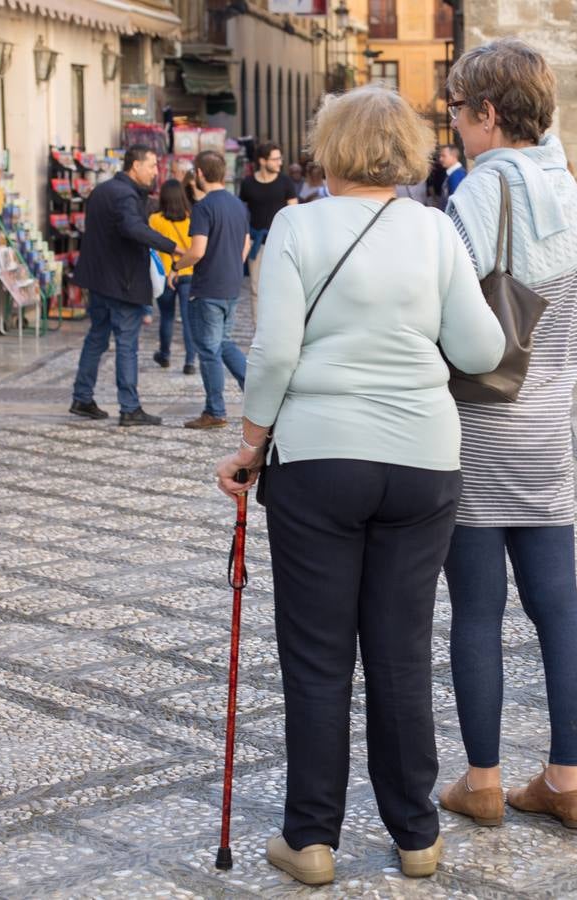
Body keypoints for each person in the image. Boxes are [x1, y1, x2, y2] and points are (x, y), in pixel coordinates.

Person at [212, 83, 504, 885]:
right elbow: (481, 350)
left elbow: (272, 354)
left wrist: (248, 446)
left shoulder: (297, 225)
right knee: (402, 652)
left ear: (330, 149)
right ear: (405, 149)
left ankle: (310, 840)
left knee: (317, 657)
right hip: (421, 461)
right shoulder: (437, 229)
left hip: (317, 462)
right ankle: (416, 835)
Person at [436, 38, 577, 834]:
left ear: (488, 113)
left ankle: (485, 782)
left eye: (458, 114)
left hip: (475, 427)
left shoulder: (480, 193)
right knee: (559, 609)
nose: (456, 130)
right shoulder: (566, 188)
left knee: (476, 611)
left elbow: (451, 309)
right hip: (545, 431)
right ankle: (567, 780)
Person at [69, 144, 187, 426]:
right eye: (152, 165)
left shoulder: (103, 190)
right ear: (135, 166)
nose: (155, 171)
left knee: (96, 338)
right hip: (121, 281)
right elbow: (132, 228)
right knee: (126, 343)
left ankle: (82, 397)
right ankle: (130, 407)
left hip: (99, 280)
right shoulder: (124, 195)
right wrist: (172, 247)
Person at [179, 151, 251, 429]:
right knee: (224, 342)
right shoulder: (238, 205)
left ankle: (215, 410)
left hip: (207, 286)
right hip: (231, 285)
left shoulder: (203, 207)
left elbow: (197, 251)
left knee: (208, 350)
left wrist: (177, 267)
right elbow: (245, 245)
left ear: (198, 173)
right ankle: (255, 395)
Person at [239, 141, 298, 324]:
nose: (280, 162)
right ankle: (259, 330)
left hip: (282, 243)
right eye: (276, 159)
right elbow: (242, 212)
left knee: (282, 288)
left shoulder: (285, 182)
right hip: (257, 241)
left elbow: (294, 214)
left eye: (280, 158)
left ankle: (281, 326)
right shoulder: (248, 183)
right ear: (263, 161)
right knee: (256, 289)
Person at [148, 179, 198, 375]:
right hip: (189, 272)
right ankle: (190, 361)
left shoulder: (155, 220)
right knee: (188, 319)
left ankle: (165, 355)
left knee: (167, 316)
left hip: (165, 274)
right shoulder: (191, 218)